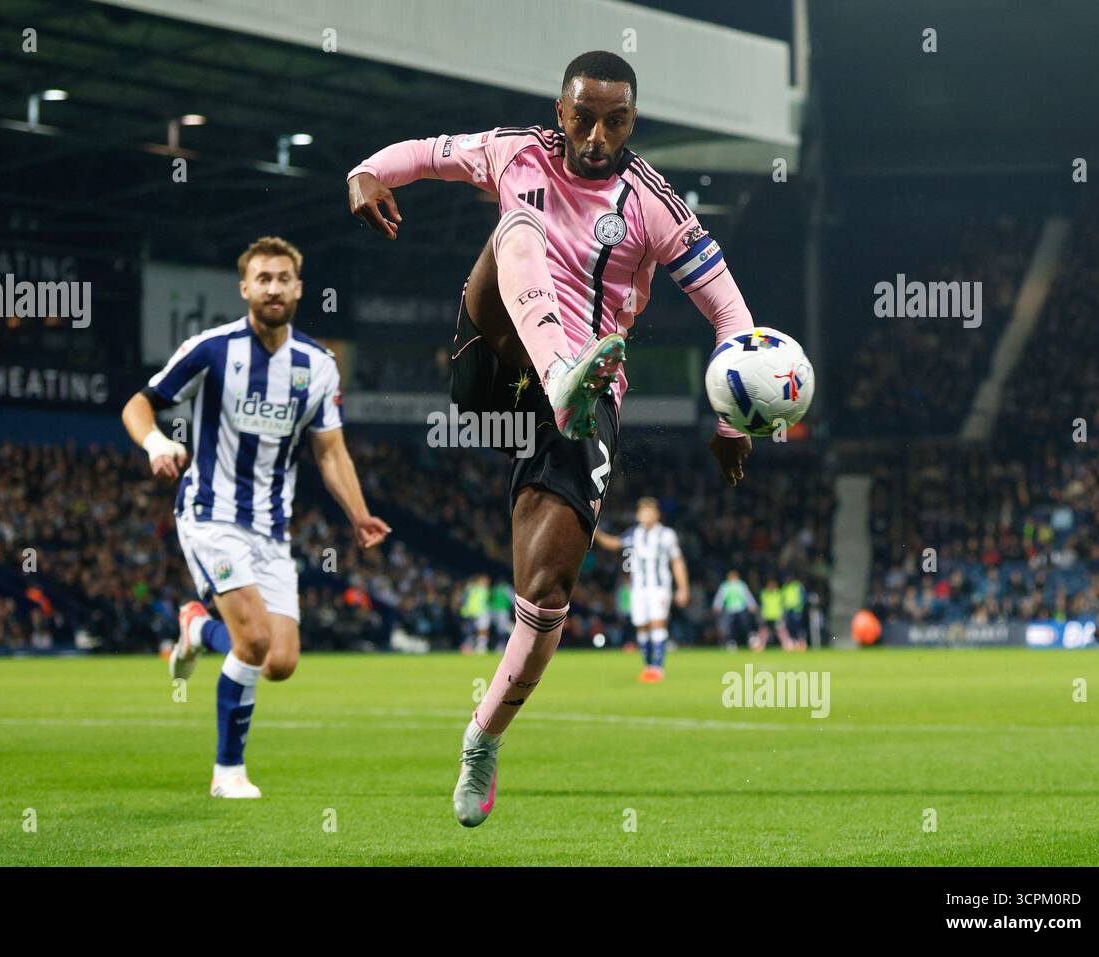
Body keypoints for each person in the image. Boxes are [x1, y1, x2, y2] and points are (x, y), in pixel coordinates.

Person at [347, 50, 755, 827]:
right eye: (584, 116)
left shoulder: (656, 206)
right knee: (519, 219)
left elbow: (733, 319)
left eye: (617, 120)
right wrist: (363, 174)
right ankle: (561, 366)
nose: (598, 134)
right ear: (560, 109)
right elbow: (424, 155)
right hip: (495, 361)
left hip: (587, 398)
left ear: (634, 121)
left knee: (544, 598)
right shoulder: (515, 150)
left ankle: (482, 737)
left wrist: (735, 420)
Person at [121, 236, 390, 799]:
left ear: (298, 288)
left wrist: (360, 515)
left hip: (271, 527)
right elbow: (139, 403)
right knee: (253, 641)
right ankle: (228, 773)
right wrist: (154, 444)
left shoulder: (317, 365)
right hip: (210, 512)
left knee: (281, 661)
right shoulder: (211, 349)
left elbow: (330, 451)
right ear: (245, 288)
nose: (273, 288)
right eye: (262, 278)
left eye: (282, 278)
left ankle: (197, 628)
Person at [594, 497, 689, 681]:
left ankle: (657, 668)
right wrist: (595, 530)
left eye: (650, 512)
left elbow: (677, 561)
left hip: (659, 587)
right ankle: (648, 667)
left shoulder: (666, 535)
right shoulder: (633, 534)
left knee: (657, 623)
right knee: (642, 627)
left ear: (657, 515)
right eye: (643, 512)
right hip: (637, 589)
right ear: (638, 515)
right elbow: (613, 543)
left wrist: (683, 588)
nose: (646, 515)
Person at [712, 569, 757, 650]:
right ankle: (731, 642)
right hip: (729, 610)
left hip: (741, 609)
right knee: (729, 628)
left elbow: (747, 595)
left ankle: (751, 640)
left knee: (745, 625)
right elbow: (720, 597)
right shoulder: (725, 586)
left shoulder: (741, 585)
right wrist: (717, 606)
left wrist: (752, 605)